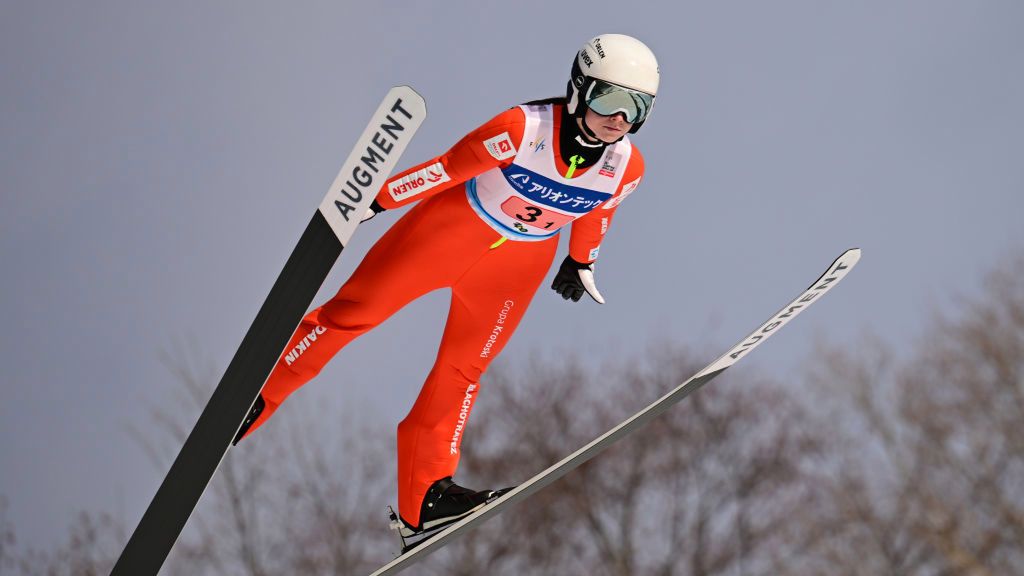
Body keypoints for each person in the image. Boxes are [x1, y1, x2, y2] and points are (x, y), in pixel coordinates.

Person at [232, 33, 660, 538]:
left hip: (517, 267)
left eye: (636, 108)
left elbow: (601, 210)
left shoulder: (627, 165)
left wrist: (580, 261)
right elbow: (445, 169)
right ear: (578, 89)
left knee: (462, 372)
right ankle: (257, 394)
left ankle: (425, 496)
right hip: (450, 231)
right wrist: (375, 202)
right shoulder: (521, 129)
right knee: (354, 313)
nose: (619, 119)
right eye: (609, 99)